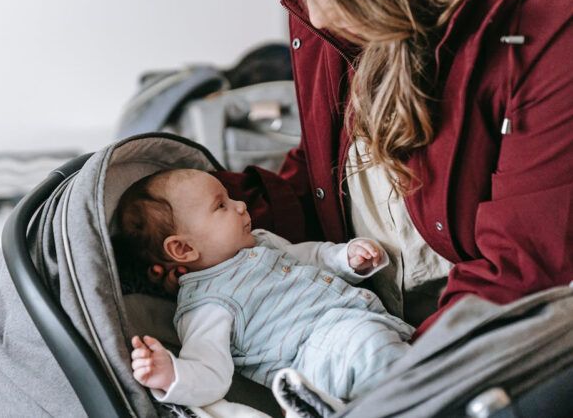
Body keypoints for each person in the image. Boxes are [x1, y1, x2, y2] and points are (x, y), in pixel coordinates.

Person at [151, 0, 573, 334]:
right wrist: (194, 229)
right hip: (363, 312)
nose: (312, 16)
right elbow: (326, 169)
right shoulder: (337, 10)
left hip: (458, 336)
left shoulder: (546, 22)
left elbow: (522, 267)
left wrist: (399, 378)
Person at [118, 169, 414, 407]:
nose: (241, 205)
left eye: (231, 197)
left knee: (399, 352)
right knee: (378, 354)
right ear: (183, 248)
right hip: (317, 355)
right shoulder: (208, 305)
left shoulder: (260, 241)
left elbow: (308, 257)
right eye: (221, 205)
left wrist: (346, 258)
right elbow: (209, 370)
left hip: (362, 322)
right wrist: (171, 376)